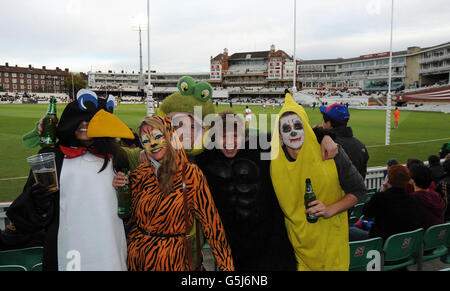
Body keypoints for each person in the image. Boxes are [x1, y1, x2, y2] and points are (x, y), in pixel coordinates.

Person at [6, 90, 134, 270]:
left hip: (109, 246)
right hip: (69, 248)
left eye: (91, 120)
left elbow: (126, 209)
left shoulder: (118, 156)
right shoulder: (51, 157)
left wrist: (123, 189)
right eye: (81, 118)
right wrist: (38, 200)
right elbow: (30, 215)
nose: (85, 124)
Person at [115, 116, 234, 271]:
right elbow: (131, 218)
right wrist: (121, 191)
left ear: (170, 136)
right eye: (146, 140)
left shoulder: (190, 174)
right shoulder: (140, 173)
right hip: (137, 259)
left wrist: (226, 268)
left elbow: (212, 226)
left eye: (158, 136)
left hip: (173, 260)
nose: (153, 144)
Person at [270, 93, 366, 271]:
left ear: (306, 127)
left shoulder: (333, 153)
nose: (293, 131)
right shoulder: (272, 160)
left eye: (298, 125)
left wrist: (330, 210)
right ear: (280, 135)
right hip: (295, 251)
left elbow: (359, 191)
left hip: (331, 248)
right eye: (286, 128)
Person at [195, 110, 297, 271]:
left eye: (235, 136)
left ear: (244, 136)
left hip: (271, 248)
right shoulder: (205, 158)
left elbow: (299, 136)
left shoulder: (262, 148)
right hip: (231, 251)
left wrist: (326, 138)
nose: (229, 143)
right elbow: (176, 154)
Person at [362, 164, 423, 242]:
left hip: (380, 244)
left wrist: (382, 191)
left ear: (388, 179)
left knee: (351, 231)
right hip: (404, 245)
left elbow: (366, 213)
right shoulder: (414, 200)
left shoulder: (380, 197)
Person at [319, 103, 370, 179]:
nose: (322, 123)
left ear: (329, 124)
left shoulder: (324, 146)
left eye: (323, 120)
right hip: (356, 189)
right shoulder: (361, 146)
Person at [409, 163, 445, 229]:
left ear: (413, 179)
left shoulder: (413, 199)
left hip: (424, 237)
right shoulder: (436, 195)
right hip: (439, 235)